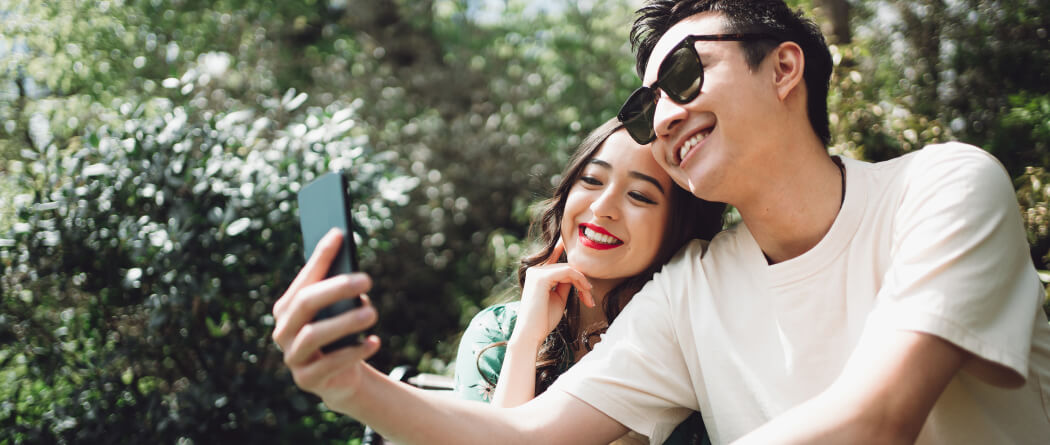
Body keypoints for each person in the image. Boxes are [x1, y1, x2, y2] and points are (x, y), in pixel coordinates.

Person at [270, 1, 1050, 444]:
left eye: (684, 75)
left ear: (783, 68)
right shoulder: (690, 289)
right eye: (646, 107)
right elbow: (527, 436)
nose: (666, 115)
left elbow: (877, 419)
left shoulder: (943, 187)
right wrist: (353, 386)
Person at [452, 118, 721, 445]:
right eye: (592, 179)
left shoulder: (695, 345)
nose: (602, 207)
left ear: (681, 227)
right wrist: (526, 340)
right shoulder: (499, 332)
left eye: (638, 195)